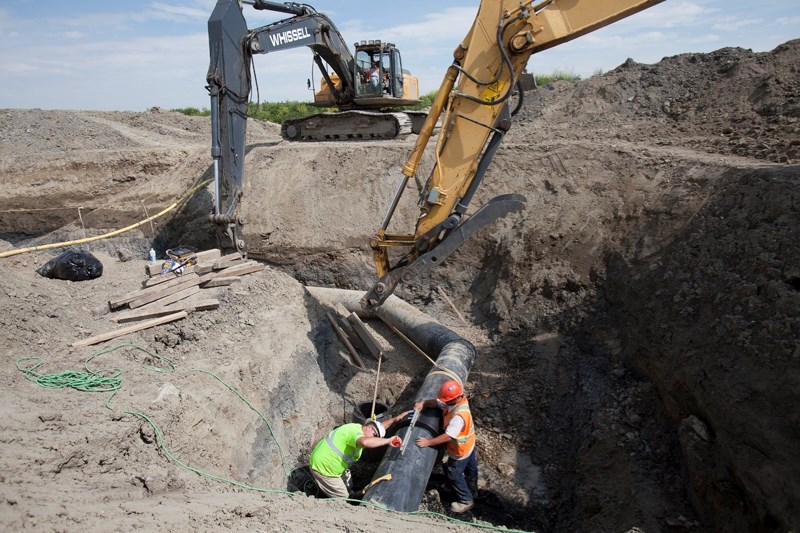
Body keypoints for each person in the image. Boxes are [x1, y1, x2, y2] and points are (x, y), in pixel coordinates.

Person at [414, 379, 478, 514]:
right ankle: (473, 490)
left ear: (455, 398)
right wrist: (423, 403)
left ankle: (466, 500)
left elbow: (448, 436)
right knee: (470, 469)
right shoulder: (456, 402)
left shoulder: (459, 416)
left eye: (447, 400)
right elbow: (437, 403)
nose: (444, 402)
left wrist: (428, 442)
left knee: (453, 473)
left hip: (459, 450)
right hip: (469, 444)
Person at [309, 412, 407, 499]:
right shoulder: (355, 431)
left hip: (335, 466)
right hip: (324, 468)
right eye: (375, 435)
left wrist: (395, 419)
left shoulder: (365, 430)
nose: (375, 439)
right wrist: (388, 440)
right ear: (368, 427)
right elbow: (364, 442)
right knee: (343, 498)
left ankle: (349, 493)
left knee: (349, 485)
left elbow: (379, 427)